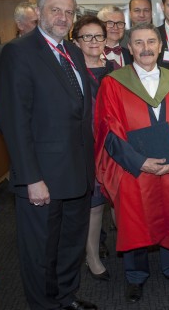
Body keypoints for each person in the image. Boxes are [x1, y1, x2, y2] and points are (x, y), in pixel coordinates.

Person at [0, 0, 97, 310]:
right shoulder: (19, 52)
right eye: (55, 10)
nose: (62, 17)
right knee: (40, 253)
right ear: (39, 12)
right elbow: (14, 121)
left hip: (77, 174)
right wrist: (30, 178)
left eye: (68, 12)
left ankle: (66, 299)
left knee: (70, 247)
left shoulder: (74, 52)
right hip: (42, 179)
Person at [94, 22, 169, 304]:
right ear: (130, 48)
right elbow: (108, 132)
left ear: (161, 46)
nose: (145, 48)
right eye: (138, 43)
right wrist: (139, 162)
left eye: (151, 42)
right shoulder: (113, 83)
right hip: (133, 169)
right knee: (133, 221)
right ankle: (135, 276)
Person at [71, 15, 117, 283]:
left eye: (98, 36)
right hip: (86, 147)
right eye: (86, 36)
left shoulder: (114, 68)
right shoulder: (71, 72)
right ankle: (92, 257)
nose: (93, 41)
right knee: (95, 206)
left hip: (115, 145)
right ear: (76, 41)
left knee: (121, 204)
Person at [0, 1, 37, 122]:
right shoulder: (3, 52)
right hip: (17, 124)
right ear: (20, 25)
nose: (40, 27)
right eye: (35, 22)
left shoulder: (50, 51)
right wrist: (4, 129)